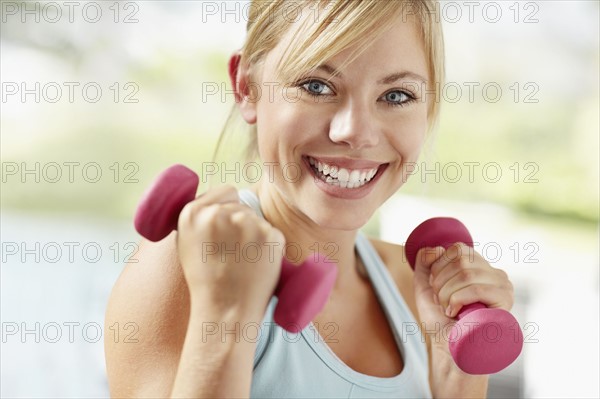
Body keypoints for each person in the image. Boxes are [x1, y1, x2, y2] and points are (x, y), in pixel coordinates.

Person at [104, 1, 515, 397]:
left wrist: (456, 375)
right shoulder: (182, 267)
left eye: (396, 96)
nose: (355, 131)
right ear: (247, 87)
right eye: (316, 86)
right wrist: (227, 318)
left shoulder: (418, 292)